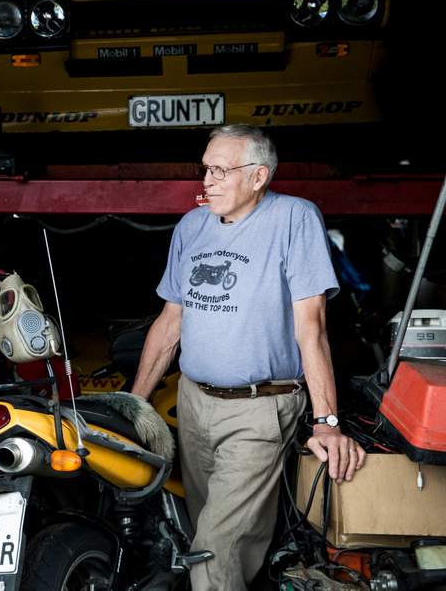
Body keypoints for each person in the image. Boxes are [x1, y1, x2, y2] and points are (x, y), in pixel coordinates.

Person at [130, 124, 366, 590]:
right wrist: (133, 403)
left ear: (259, 177)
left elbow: (311, 328)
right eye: (205, 169)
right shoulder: (191, 226)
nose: (208, 181)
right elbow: (168, 323)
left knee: (214, 547)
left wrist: (328, 422)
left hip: (261, 409)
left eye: (220, 170)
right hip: (195, 405)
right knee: (212, 535)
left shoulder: (293, 219)